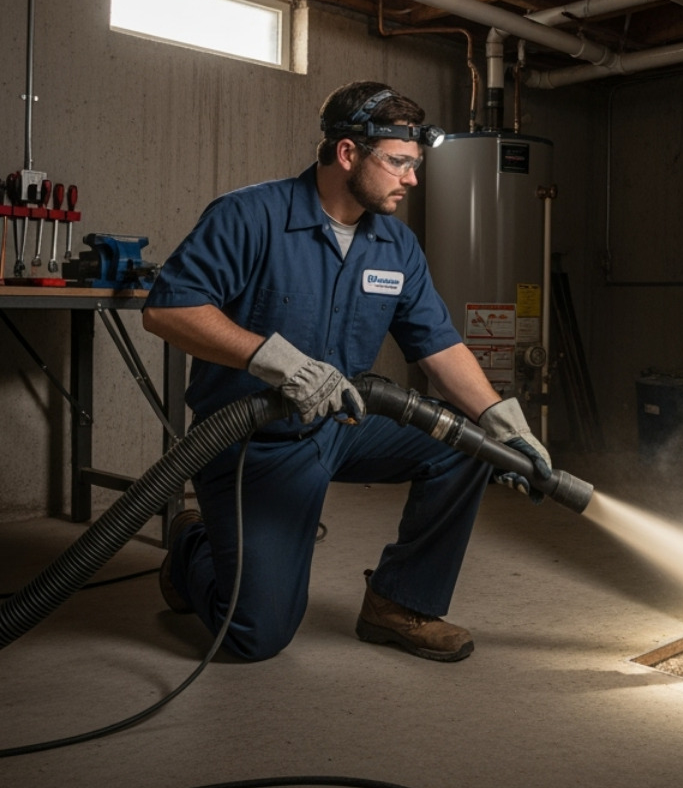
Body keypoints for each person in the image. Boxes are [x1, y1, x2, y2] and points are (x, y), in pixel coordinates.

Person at [141, 80, 550, 664]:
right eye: (400, 164)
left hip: (342, 425)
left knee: (469, 444)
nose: (412, 179)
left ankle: (397, 603)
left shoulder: (396, 246)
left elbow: (436, 343)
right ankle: (190, 544)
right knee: (255, 635)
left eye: (416, 165)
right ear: (348, 153)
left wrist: (501, 419)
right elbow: (168, 309)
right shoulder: (249, 215)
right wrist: (275, 361)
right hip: (253, 444)